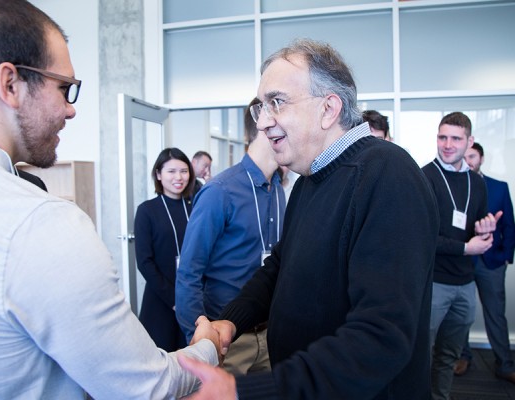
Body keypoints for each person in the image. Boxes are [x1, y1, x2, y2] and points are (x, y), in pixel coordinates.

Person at [0, 1, 219, 399]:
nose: (71, 110)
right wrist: (209, 345)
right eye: (64, 88)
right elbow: (148, 388)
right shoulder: (40, 224)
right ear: (10, 84)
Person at [177, 38, 440, 399]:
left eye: (277, 103)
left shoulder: (388, 175)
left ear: (328, 109)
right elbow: (280, 267)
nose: (264, 123)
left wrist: (247, 391)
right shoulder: (310, 180)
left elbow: (381, 337)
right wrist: (231, 320)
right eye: (261, 108)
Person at [176, 98, 286, 375]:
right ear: (265, 127)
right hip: (228, 339)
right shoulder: (220, 192)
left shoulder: (278, 190)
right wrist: (200, 342)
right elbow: (188, 273)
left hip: (270, 333)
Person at [422, 113, 502, 400]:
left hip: (466, 285)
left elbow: (478, 227)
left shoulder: (477, 183)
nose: (447, 144)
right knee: (421, 357)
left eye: (455, 138)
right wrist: (466, 248)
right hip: (434, 284)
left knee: (448, 357)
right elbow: (422, 237)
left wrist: (485, 229)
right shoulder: (424, 177)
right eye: (442, 137)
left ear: (469, 141)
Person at [454, 142, 515, 383]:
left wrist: (505, 257)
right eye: (466, 156)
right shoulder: (456, 187)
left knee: (495, 315)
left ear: (481, 158)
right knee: (462, 315)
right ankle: (463, 357)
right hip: (464, 260)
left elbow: (509, 225)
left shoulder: (499, 188)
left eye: (473, 156)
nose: (468, 160)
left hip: (491, 262)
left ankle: (505, 363)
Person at [134, 147, 195, 352]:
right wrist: (174, 299)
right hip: (160, 300)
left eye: (184, 171)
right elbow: (144, 261)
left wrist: (189, 298)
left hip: (193, 298)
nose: (178, 177)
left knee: (192, 364)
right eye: (171, 171)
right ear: (159, 175)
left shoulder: (196, 206)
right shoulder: (147, 210)